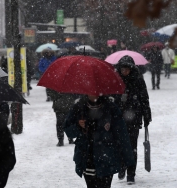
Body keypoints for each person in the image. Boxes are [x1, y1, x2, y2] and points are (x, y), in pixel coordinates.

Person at [64, 95, 135, 188]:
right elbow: (69, 131)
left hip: (107, 157)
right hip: (87, 157)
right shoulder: (79, 107)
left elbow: (121, 134)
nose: (93, 93)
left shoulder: (110, 107)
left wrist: (128, 158)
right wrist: (78, 126)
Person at [114, 55, 152, 184]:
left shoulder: (137, 79)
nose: (124, 71)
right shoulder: (115, 79)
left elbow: (144, 98)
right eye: (122, 69)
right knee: (119, 145)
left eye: (127, 69)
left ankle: (131, 173)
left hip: (133, 118)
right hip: (118, 118)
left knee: (131, 146)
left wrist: (146, 115)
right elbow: (110, 98)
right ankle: (121, 165)